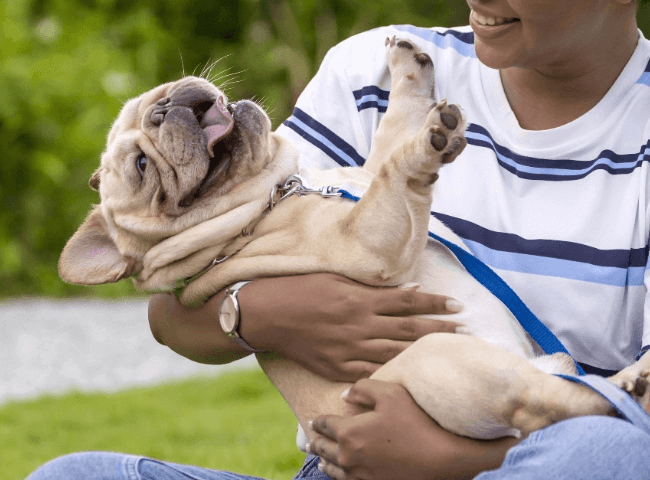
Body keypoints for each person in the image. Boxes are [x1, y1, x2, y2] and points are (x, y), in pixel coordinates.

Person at [28, 0, 650, 478]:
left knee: (607, 452)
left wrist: (448, 459)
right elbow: (173, 315)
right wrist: (266, 314)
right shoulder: (380, 69)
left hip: (536, 460)